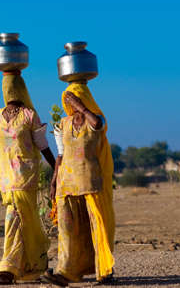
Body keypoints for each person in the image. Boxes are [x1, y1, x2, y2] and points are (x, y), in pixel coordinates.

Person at [0, 70, 56, 285]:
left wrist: (58, 171)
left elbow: (44, 147)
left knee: (15, 218)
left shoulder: (30, 115)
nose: (9, 91)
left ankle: (7, 269)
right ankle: (34, 265)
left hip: (25, 177)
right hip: (5, 179)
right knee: (24, 221)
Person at [43, 81, 115, 286]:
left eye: (75, 97)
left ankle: (104, 271)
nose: (70, 102)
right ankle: (66, 272)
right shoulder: (63, 124)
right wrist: (54, 181)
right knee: (67, 230)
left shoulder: (96, 119)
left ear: (84, 98)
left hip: (90, 183)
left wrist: (83, 108)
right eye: (67, 98)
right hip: (66, 185)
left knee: (96, 226)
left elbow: (98, 124)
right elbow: (60, 155)